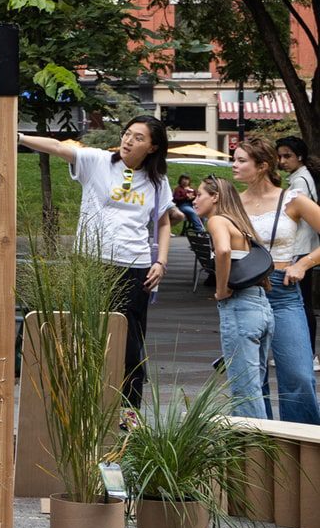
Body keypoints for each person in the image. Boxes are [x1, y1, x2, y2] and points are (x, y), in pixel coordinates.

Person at [20, 117, 173, 411]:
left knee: (130, 345)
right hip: (91, 264)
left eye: (138, 137)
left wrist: (161, 262)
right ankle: (86, 411)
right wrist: (18, 136)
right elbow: (56, 147)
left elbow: (164, 222)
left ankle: (129, 415)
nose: (129, 140)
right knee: (86, 338)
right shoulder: (98, 162)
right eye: (127, 133)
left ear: (153, 147)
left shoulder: (158, 181)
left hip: (135, 267)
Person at [230, 137, 320, 423]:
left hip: (284, 293)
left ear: (262, 166)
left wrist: (304, 263)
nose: (234, 164)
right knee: (251, 383)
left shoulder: (292, 200)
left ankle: (304, 452)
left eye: (241, 160)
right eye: (235, 158)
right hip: (245, 294)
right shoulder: (233, 203)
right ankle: (260, 456)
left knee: (299, 376)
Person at [196, 176, 275, 418]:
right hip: (261, 307)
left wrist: (220, 290)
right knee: (254, 387)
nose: (194, 199)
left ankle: (252, 452)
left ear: (215, 197)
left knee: (245, 391)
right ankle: (258, 449)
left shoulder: (217, 220)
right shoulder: (241, 224)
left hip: (240, 308)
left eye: (200, 194)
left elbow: (223, 250)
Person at [275, 135, 319, 351]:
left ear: (299, 156)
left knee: (301, 304)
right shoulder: (300, 176)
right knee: (302, 303)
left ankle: (308, 353)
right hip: (304, 246)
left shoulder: (300, 180)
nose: (282, 161)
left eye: (287, 156)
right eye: (280, 156)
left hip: (301, 248)